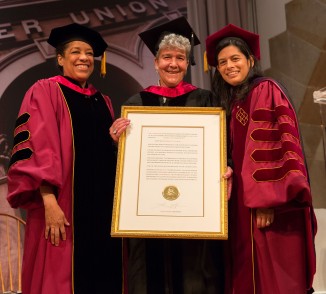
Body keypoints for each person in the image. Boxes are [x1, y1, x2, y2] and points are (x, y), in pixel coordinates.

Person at [110, 16, 230, 294]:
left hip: (194, 214)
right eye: (166, 57)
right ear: (155, 62)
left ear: (187, 63)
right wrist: (117, 143)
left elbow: (222, 149)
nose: (173, 63)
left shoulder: (206, 101)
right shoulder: (136, 105)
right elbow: (127, 169)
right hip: (149, 216)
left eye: (180, 57)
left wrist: (227, 167)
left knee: (195, 275)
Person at [6, 23, 125, 294]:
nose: (84, 57)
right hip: (62, 207)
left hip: (102, 210)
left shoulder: (102, 100)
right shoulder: (45, 91)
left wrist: (116, 143)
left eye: (88, 52)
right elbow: (37, 149)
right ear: (60, 58)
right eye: (75, 52)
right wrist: (49, 202)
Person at [205, 24, 317, 294]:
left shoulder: (265, 90)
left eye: (235, 59)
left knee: (271, 277)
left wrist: (267, 200)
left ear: (250, 60)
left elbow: (274, 148)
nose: (229, 66)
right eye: (222, 62)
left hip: (269, 207)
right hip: (243, 204)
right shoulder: (233, 101)